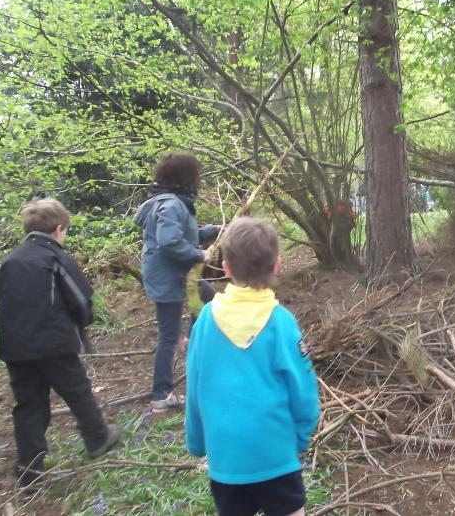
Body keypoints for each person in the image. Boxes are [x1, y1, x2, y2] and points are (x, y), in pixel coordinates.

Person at [185, 217, 320, 516]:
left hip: (225, 459)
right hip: (276, 455)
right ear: (277, 265)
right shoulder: (282, 322)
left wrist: (196, 441)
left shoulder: (206, 320)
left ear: (226, 268)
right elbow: (304, 387)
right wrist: (300, 435)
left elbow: (194, 385)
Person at [0, 198, 120, 488]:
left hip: (15, 347)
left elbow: (2, 298)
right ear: (58, 228)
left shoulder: (9, 261)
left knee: (29, 403)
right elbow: (81, 300)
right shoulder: (56, 258)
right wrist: (82, 321)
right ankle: (97, 437)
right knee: (77, 391)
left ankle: (30, 466)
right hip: (54, 342)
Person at [134, 153, 222, 412]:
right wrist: (200, 254)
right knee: (168, 336)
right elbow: (170, 241)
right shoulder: (171, 204)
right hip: (168, 277)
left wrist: (212, 231)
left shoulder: (172, 202)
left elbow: (183, 234)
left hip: (176, 274)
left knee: (208, 299)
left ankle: (192, 341)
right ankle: (161, 393)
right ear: (186, 177)